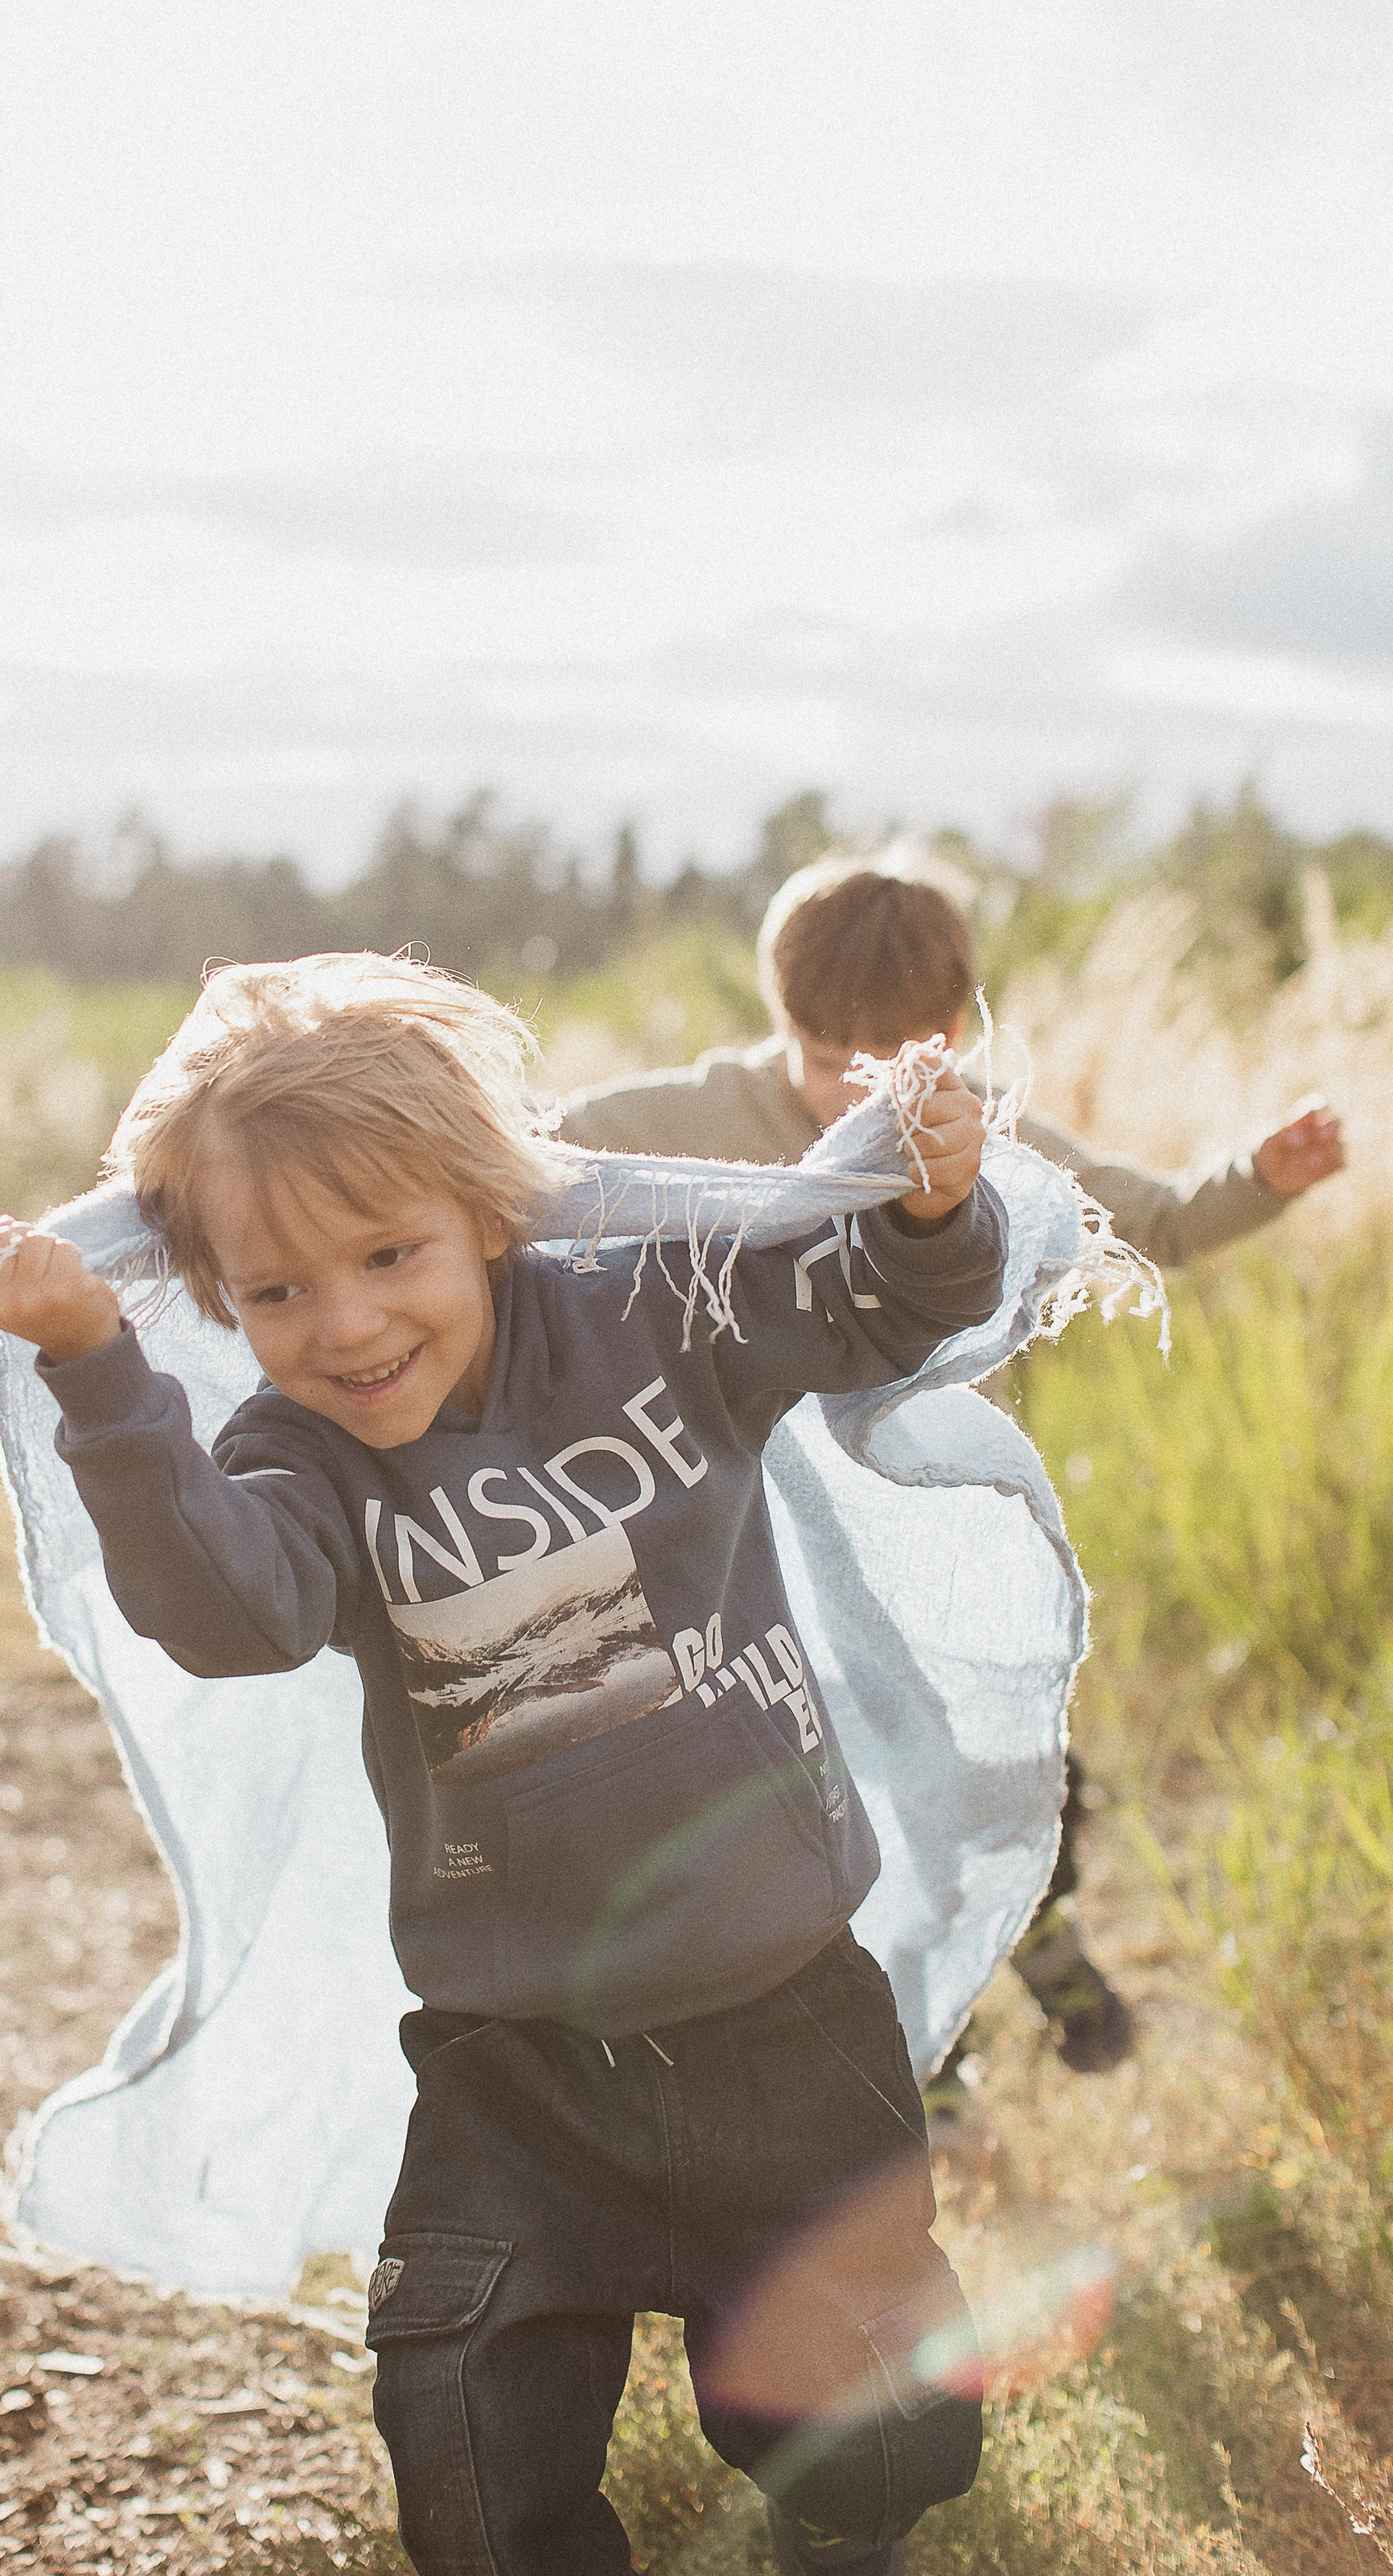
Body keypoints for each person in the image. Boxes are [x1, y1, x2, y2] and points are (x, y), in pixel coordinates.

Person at [0, 952, 1003, 2576]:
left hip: (781, 2009)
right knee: (463, 2455)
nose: (348, 1325)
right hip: (516, 2056)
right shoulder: (297, 1463)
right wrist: (97, 1364)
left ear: (492, 1213)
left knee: (872, 2411)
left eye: (392, 1255)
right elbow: (231, 1614)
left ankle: (838, 2532)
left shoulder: (655, 1316)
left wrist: (931, 1205)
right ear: (218, 1301)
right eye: (277, 1292)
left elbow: (874, 1306)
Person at [559, 853, 1347, 2095]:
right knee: (833, 1782)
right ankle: (933, 2043)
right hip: (765, 1539)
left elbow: (1151, 1218)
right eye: (832, 1064)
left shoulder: (979, 1124)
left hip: (934, 1529)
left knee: (997, 1752)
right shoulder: (691, 1117)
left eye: (900, 1069)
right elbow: (523, 1168)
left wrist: (1260, 1178)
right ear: (781, 1023)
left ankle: (1044, 1937)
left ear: (952, 1040)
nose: (864, 1099)